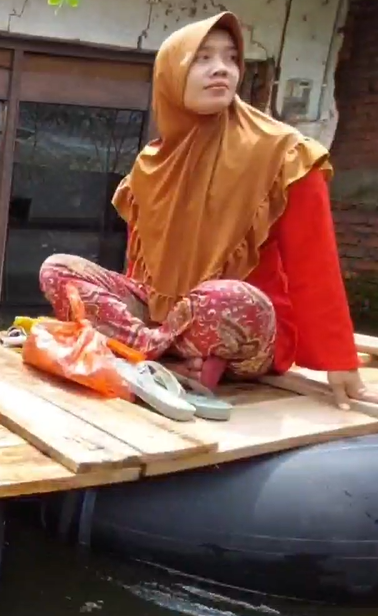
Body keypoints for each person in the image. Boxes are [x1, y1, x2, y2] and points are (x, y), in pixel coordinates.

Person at [38, 11, 378, 410]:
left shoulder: (284, 152)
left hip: (243, 325)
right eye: (202, 58)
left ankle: (155, 355)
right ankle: (166, 354)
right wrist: (145, 318)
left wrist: (338, 361)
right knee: (59, 269)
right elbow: (140, 265)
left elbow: (314, 262)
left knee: (224, 298)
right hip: (169, 318)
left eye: (231, 58)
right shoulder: (150, 164)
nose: (221, 69)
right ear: (170, 74)